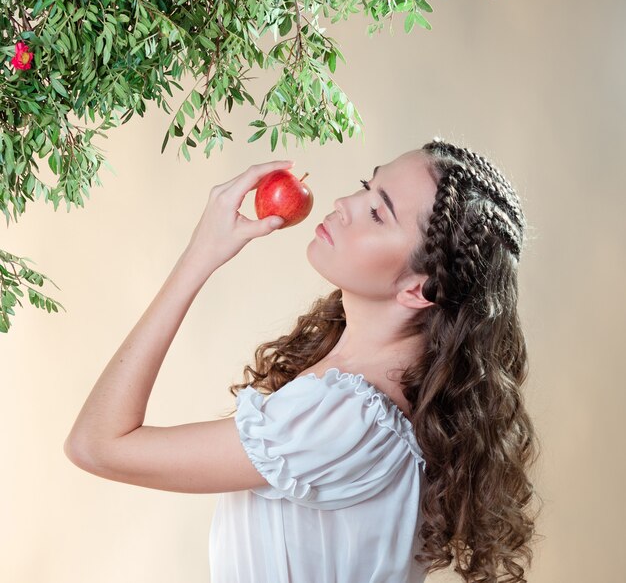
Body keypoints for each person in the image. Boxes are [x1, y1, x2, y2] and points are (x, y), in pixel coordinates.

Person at [64, 138, 541, 583]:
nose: (345, 205)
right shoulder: (377, 404)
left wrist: (200, 255)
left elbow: (96, 444)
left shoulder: (345, 416)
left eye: (378, 212)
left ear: (417, 289)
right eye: (365, 187)